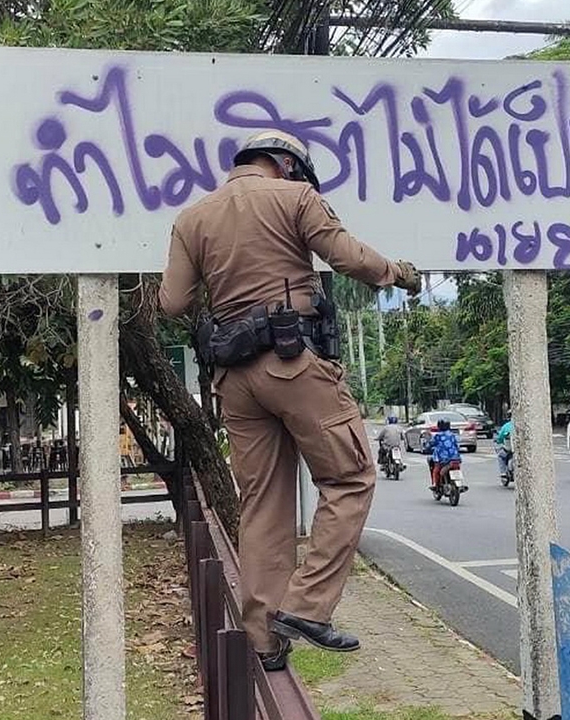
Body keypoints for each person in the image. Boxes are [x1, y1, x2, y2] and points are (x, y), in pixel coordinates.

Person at [159, 129, 421, 671]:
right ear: (283, 163)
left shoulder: (192, 217)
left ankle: (262, 638)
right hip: (293, 363)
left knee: (263, 505)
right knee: (349, 478)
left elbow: (173, 301)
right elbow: (346, 257)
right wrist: (397, 273)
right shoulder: (295, 197)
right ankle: (307, 607)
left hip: (234, 379)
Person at [428, 418, 462, 490]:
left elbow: (430, 444)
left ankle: (435, 484)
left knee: (436, 470)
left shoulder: (437, 436)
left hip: (442, 459)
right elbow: (457, 445)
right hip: (456, 458)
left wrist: (427, 446)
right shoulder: (453, 435)